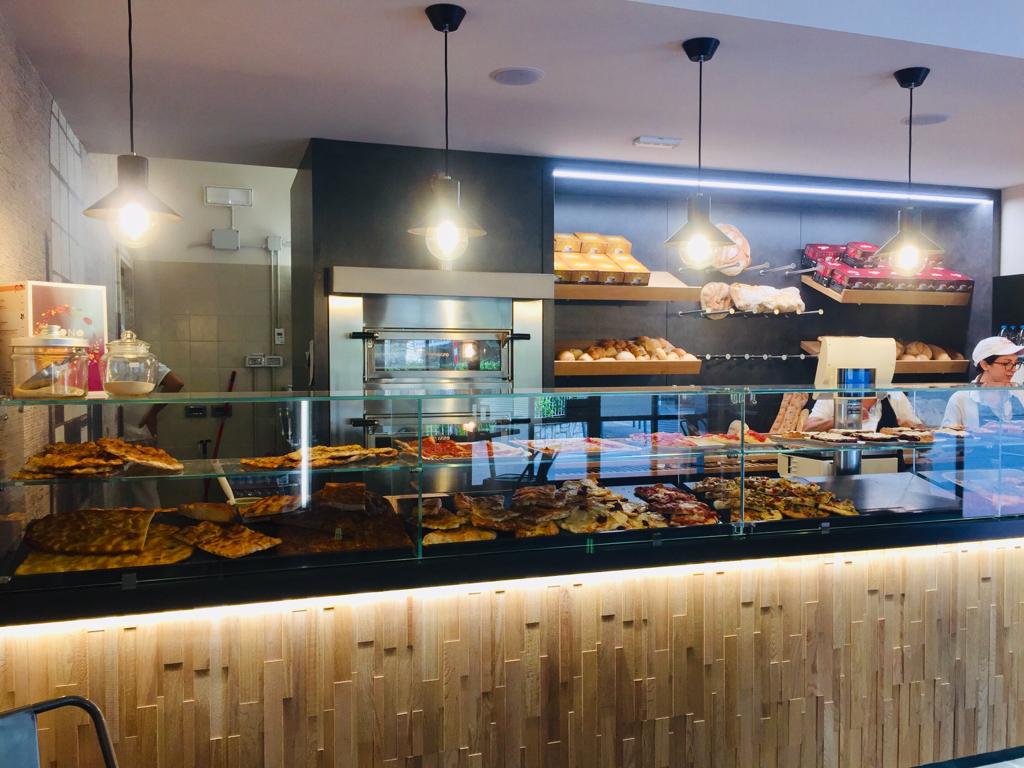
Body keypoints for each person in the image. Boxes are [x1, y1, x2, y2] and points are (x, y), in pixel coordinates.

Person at [942, 336, 1024, 428]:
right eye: (1006, 363)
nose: (1013, 369)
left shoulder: (1019, 393)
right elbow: (948, 433)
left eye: (1015, 363)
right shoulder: (961, 398)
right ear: (984, 365)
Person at [804, 390, 924, 432]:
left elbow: (925, 441)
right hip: (841, 469)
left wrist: (908, 427)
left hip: (891, 471)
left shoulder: (895, 395)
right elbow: (808, 428)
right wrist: (843, 420)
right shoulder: (834, 392)